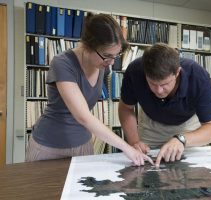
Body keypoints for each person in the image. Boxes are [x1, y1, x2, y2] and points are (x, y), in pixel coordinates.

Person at [26, 12, 153, 166]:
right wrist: (127, 147)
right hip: (49, 147)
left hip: (83, 145)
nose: (112, 62)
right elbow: (83, 117)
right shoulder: (62, 63)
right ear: (87, 45)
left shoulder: (102, 66)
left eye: (116, 56)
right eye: (107, 55)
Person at [119, 43, 211, 166]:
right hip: (151, 126)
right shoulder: (134, 71)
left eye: (164, 84)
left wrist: (182, 139)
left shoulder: (197, 76)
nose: (159, 90)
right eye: (152, 83)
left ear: (177, 72)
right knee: (143, 168)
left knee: (191, 171)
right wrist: (134, 142)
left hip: (187, 127)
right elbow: (125, 108)